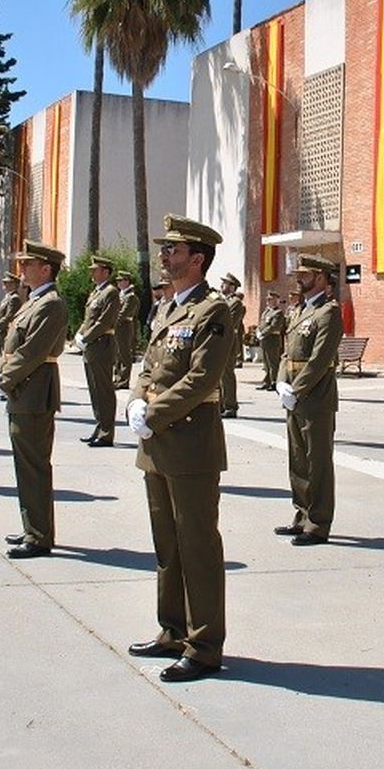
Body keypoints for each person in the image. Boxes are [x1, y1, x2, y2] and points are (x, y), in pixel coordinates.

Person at [124, 215, 235, 683]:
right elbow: (148, 365)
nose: (166, 257)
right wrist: (134, 399)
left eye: (174, 250)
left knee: (197, 546)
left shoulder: (215, 310)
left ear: (198, 259)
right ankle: (172, 629)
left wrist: (153, 412)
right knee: (166, 545)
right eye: (165, 250)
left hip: (190, 442)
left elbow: (201, 378)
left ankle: (204, 645)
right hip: (157, 443)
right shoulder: (167, 309)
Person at [0, 242, 70, 559]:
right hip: (24, 389)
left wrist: (4, 377)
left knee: (34, 465)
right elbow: (14, 346)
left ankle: (39, 536)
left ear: (46, 269)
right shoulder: (34, 301)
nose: (22, 269)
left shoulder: (50, 303)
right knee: (25, 465)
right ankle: (32, 528)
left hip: (34, 390)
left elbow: (32, 350)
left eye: (29, 264)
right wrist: (2, 370)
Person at [275, 255, 344, 545]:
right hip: (294, 396)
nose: (299, 278)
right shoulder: (300, 310)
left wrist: (297, 389)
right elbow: (287, 352)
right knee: (298, 460)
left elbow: (320, 359)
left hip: (315, 397)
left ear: (322, 278)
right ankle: (301, 515)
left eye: (305, 274)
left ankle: (318, 523)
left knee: (317, 461)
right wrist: (281, 381)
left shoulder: (329, 312)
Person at [75, 256, 120, 446]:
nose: (92, 273)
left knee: (103, 390)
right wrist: (79, 334)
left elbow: (104, 321)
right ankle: (100, 426)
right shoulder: (96, 292)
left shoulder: (111, 292)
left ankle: (107, 432)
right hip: (92, 347)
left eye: (96, 270)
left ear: (106, 272)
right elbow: (89, 320)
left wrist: (86, 337)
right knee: (94, 390)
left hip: (102, 345)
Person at [218, 274, 246, 418]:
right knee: (219, 374)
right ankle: (221, 404)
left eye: (226, 284)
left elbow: (229, 323)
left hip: (228, 341)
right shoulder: (221, 301)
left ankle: (231, 406)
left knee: (227, 374)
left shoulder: (235, 303)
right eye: (223, 283)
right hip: (219, 341)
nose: (222, 286)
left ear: (232, 287)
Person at [256, 291, 288, 390]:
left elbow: (274, 326)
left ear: (276, 301)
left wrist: (263, 333)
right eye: (268, 299)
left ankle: (274, 382)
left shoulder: (278, 313)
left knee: (273, 363)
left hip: (272, 340)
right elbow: (261, 324)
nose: (268, 301)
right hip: (265, 340)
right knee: (266, 363)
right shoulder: (266, 311)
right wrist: (258, 331)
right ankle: (267, 381)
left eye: (270, 299)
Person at [113, 272, 139, 388]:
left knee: (124, 354)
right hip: (119, 326)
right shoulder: (122, 294)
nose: (118, 283)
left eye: (121, 280)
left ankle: (124, 380)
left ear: (127, 281)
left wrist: (111, 322)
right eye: (117, 281)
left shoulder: (131, 296)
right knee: (117, 353)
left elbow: (123, 313)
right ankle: (117, 378)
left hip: (125, 326)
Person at [0, 272, 23, 359]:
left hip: (7, 329)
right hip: (3, 329)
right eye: (4, 283)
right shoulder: (8, 297)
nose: (5, 285)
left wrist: (0, 325)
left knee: (6, 353)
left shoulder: (14, 298)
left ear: (14, 285)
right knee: (2, 351)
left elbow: (9, 315)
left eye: (8, 283)